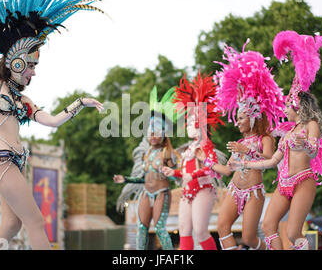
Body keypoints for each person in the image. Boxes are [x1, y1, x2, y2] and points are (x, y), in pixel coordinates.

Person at [0, 0, 105, 250]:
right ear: (16, 61)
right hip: (1, 162)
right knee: (35, 220)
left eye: (35, 66)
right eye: (31, 65)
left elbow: (53, 121)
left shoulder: (23, 99)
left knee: (11, 226)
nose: (33, 72)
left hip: (13, 163)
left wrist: (80, 102)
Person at [230, 31, 322, 250]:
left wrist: (305, 144)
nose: (284, 108)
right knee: (268, 226)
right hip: (283, 183)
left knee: (294, 233)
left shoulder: (309, 125)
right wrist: (244, 163)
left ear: (298, 107)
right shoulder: (286, 133)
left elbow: (314, 151)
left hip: (303, 181)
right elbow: (270, 162)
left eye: (288, 105)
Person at [196, 40, 286, 250]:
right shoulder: (238, 143)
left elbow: (270, 160)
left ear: (253, 119)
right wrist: (207, 162)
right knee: (222, 226)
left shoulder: (265, 138)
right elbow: (228, 170)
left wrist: (249, 151)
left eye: (241, 118)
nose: (237, 122)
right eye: (237, 117)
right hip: (235, 189)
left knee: (248, 239)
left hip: (254, 191)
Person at [162, 72, 225, 250]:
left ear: (201, 124)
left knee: (200, 231)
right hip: (187, 191)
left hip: (203, 189)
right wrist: (173, 173)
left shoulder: (206, 145)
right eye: (188, 123)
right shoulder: (189, 148)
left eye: (192, 123)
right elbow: (185, 174)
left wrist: (193, 175)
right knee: (183, 229)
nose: (188, 126)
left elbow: (211, 167)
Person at [114, 86, 181, 250]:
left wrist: (170, 173)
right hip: (146, 193)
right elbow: (143, 178)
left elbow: (177, 177)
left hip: (161, 194)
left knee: (159, 229)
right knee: (141, 229)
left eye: (156, 132)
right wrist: (126, 179)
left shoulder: (167, 153)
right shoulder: (147, 154)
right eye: (150, 132)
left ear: (164, 134)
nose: (153, 135)